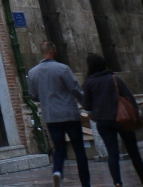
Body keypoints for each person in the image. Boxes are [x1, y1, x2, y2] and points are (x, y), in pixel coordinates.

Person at [82, 53, 143, 187]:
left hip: (103, 121)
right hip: (122, 119)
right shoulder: (114, 78)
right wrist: (137, 114)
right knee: (133, 151)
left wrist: (95, 114)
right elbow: (129, 97)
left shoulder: (89, 83)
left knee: (112, 153)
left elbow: (87, 106)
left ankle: (117, 182)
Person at [29, 40, 91, 187]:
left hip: (51, 116)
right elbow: (75, 89)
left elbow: (32, 95)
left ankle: (57, 171)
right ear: (53, 51)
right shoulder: (62, 68)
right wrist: (86, 104)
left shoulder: (32, 72)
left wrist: (45, 97)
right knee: (79, 150)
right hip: (69, 113)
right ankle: (86, 184)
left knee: (59, 148)